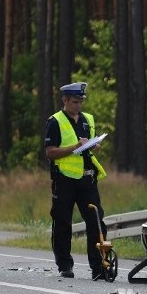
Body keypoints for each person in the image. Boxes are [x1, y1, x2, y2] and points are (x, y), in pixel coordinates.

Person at [44, 82, 108, 280]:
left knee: (96, 222)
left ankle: (98, 266)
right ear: (64, 100)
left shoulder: (88, 119)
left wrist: (93, 145)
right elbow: (50, 152)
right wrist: (74, 147)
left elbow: (88, 146)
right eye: (74, 102)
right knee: (63, 222)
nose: (78, 105)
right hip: (64, 180)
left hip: (87, 178)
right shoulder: (55, 121)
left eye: (81, 101)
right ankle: (64, 265)